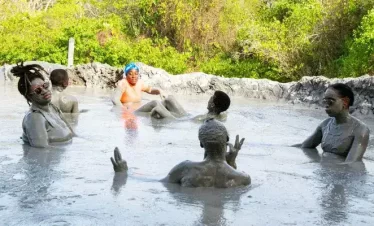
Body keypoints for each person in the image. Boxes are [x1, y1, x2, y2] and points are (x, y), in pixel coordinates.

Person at [110, 119, 250, 188]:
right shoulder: (243, 179)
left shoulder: (185, 169)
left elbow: (156, 184)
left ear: (201, 143)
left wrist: (122, 173)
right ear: (226, 140)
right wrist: (230, 163)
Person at [293, 83, 370, 163]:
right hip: (324, 172)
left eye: (330, 101)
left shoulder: (360, 130)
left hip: (341, 174)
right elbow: (305, 146)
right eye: (324, 101)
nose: (326, 105)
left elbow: (352, 163)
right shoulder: (325, 125)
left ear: (345, 102)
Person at [11, 63, 74, 148]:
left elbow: (73, 134)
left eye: (45, 85)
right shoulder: (34, 118)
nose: (44, 91)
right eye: (37, 90)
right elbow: (41, 152)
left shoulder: (53, 108)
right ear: (29, 97)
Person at [136, 90, 230, 120]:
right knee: (170, 99)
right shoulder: (221, 114)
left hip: (178, 121)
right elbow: (225, 110)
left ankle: (133, 114)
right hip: (186, 116)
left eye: (211, 98)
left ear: (213, 105)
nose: (209, 99)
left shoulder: (207, 119)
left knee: (155, 103)